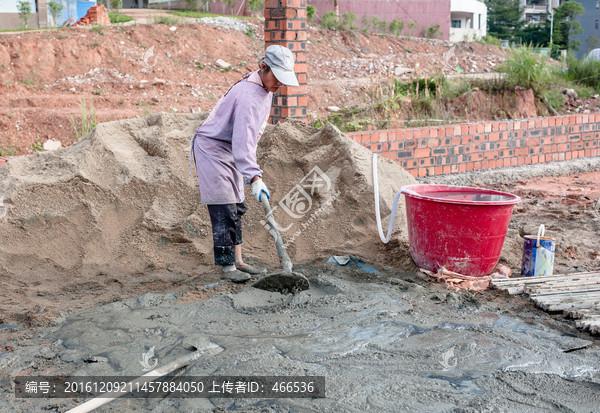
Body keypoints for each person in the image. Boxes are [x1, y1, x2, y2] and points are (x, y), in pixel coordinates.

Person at [191, 45, 299, 283]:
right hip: (213, 150)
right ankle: (228, 267)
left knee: (237, 207)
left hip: (229, 150)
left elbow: (248, 138)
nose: (280, 83)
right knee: (224, 208)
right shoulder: (250, 95)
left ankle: (238, 261)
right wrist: (254, 176)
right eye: (277, 77)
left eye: (284, 78)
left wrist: (251, 173)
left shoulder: (264, 88)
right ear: (263, 68)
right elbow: (243, 140)